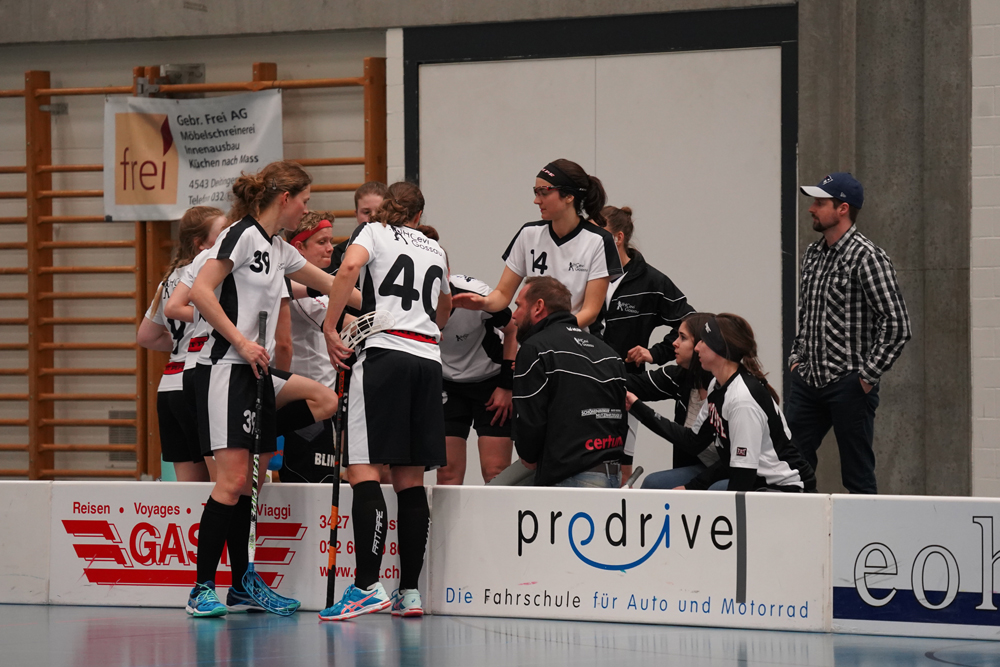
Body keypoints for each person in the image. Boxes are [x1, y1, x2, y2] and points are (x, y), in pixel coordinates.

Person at [184, 161, 340, 618]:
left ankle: (242, 583)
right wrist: (241, 341)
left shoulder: (279, 248)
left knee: (320, 406)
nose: (306, 210)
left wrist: (389, 306)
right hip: (225, 368)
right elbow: (200, 292)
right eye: (304, 201)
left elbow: (333, 286)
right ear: (285, 198)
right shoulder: (241, 235)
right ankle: (201, 588)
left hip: (256, 375)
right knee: (233, 482)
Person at [321, 181, 451, 621]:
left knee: (363, 469)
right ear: (418, 215)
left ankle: (366, 586)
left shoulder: (373, 231)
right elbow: (445, 306)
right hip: (428, 361)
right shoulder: (436, 248)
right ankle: (408, 592)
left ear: (386, 210)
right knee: (409, 480)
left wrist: (330, 327)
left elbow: (347, 269)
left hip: (385, 354)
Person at [789, 173, 911, 494]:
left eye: (820, 203)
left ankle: (864, 527)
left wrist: (866, 377)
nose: (812, 209)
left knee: (857, 475)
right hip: (808, 380)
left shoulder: (867, 257)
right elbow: (806, 313)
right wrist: (796, 359)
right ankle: (802, 523)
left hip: (849, 383)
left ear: (842, 209)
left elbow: (897, 324)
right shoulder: (813, 254)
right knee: (790, 465)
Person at [627, 314, 816, 492]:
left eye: (703, 342)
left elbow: (742, 476)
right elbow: (692, 441)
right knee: (661, 484)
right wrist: (637, 407)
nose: (697, 348)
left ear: (719, 349)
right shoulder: (717, 386)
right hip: (751, 479)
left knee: (716, 491)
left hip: (785, 488)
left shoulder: (742, 399)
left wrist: (702, 496)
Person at [453, 159, 621, 333]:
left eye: (544, 192)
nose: (536, 200)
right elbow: (502, 294)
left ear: (569, 196)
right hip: (536, 340)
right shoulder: (529, 233)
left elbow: (590, 312)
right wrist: (484, 302)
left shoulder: (598, 240)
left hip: (576, 340)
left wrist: (552, 333)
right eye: (535, 192)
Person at [599, 205, 694, 483]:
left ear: (617, 238)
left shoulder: (651, 280)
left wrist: (654, 353)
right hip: (583, 383)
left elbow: (690, 320)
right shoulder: (583, 274)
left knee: (620, 468)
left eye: (597, 234)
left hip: (625, 385)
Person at [137, 206, 227, 482]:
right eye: (222, 233)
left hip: (169, 389)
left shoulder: (168, 281)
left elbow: (146, 336)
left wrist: (182, 343)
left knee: (190, 494)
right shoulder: (213, 276)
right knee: (222, 487)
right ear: (201, 244)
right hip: (200, 383)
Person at [511, 276, 628, 487]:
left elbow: (530, 417)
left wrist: (528, 454)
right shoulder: (609, 353)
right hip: (611, 474)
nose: (514, 315)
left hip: (568, 477)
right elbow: (621, 414)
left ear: (538, 307)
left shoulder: (535, 348)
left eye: (518, 305)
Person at [431, 222, 517, 484]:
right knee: (447, 473)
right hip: (447, 384)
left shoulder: (474, 295)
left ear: (447, 274)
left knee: (496, 472)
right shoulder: (409, 303)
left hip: (490, 383)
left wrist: (506, 386)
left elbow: (513, 330)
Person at [624, 312, 717, 489]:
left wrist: (691, 487)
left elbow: (734, 462)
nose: (674, 343)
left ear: (701, 344)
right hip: (701, 468)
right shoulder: (681, 377)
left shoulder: (728, 388)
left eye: (683, 337)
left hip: (735, 471)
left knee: (715, 490)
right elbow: (630, 383)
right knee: (653, 483)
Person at [281, 211, 339, 483]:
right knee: (308, 484)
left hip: (322, 402)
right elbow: (344, 324)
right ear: (299, 247)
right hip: (305, 406)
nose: (330, 248)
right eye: (321, 242)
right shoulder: (299, 288)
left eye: (331, 241)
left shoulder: (314, 286)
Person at [329, 181, 388, 274]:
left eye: (379, 212)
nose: (373, 217)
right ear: (356, 214)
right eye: (366, 212)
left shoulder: (399, 247)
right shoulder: (339, 254)